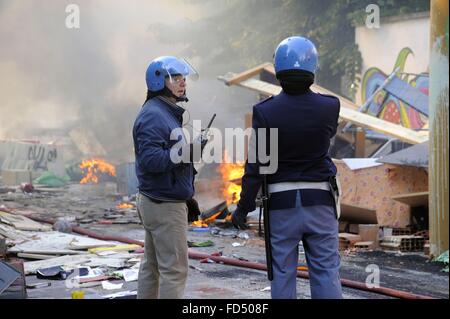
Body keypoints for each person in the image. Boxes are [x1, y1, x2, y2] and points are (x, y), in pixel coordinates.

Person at [232, 36, 343, 299]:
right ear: (313, 68)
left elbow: (256, 166)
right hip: (321, 202)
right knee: (326, 271)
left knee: (282, 273)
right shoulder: (330, 107)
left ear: (278, 71)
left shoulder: (266, 111)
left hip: (281, 206)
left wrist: (243, 207)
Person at [133, 56, 201, 299]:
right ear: (159, 81)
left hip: (162, 200)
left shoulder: (163, 111)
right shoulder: (154, 115)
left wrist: (187, 196)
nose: (183, 82)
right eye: (176, 78)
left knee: (151, 267)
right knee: (174, 270)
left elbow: (169, 157)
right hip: (164, 204)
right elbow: (151, 161)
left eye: (184, 77)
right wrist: (187, 152)